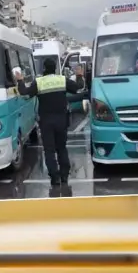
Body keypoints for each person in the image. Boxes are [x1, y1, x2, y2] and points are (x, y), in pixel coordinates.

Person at [14, 57, 87, 186]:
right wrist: (79, 75)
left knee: (49, 150)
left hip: (46, 121)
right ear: (55, 69)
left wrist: (20, 80)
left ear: (44, 69)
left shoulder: (39, 82)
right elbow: (79, 88)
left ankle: (55, 177)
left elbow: (24, 93)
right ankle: (64, 176)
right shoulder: (62, 80)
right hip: (61, 120)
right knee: (61, 148)